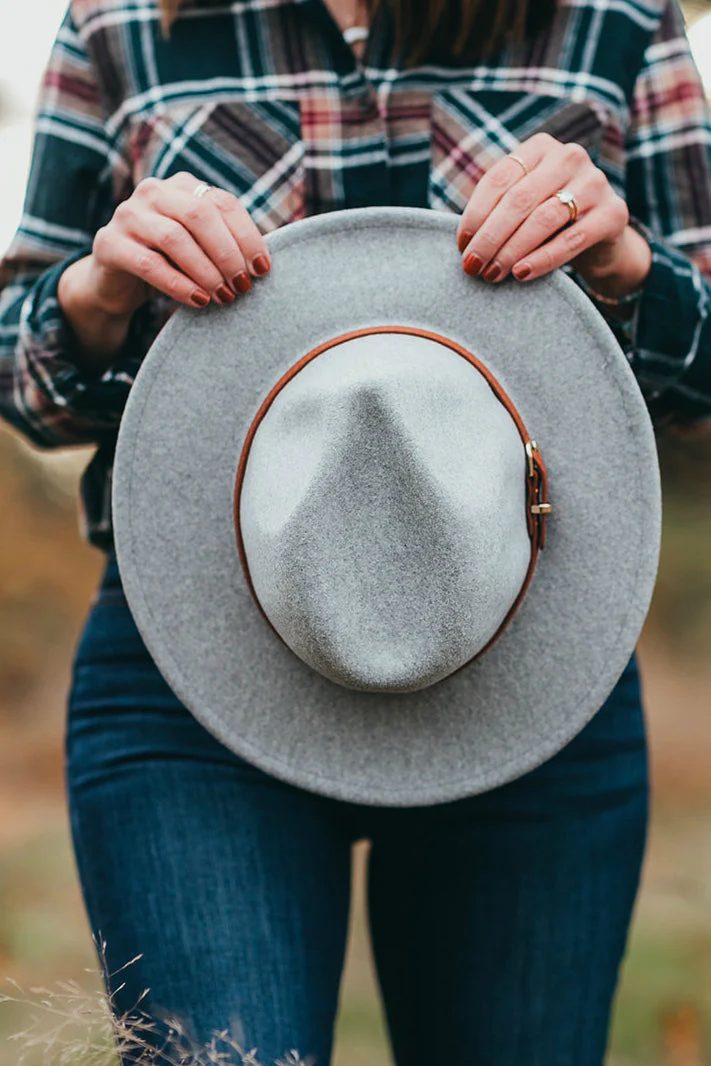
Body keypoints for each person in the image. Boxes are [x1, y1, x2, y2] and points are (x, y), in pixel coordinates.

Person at [1, 0, 711, 1062]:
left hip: (534, 673)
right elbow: (22, 374)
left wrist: (628, 268)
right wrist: (97, 290)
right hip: (190, 678)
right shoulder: (123, 19)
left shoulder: (612, 16)